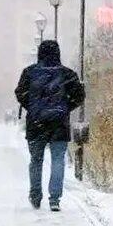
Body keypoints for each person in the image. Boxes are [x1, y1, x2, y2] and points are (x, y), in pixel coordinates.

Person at [14, 40, 85, 212]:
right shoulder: (67, 74)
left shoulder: (29, 73)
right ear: (58, 53)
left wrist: (33, 107)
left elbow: (20, 93)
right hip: (59, 124)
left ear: (40, 53)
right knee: (58, 160)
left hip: (36, 124)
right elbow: (80, 95)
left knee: (36, 161)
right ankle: (54, 199)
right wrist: (65, 108)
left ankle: (35, 195)